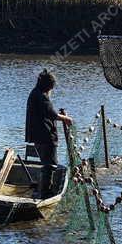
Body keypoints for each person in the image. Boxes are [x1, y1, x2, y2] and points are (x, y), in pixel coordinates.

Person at [25, 69, 73, 198]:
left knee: (46, 163)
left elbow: (47, 112)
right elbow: (51, 114)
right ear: (48, 86)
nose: (52, 89)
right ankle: (45, 193)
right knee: (50, 165)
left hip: (36, 135)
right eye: (52, 87)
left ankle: (42, 189)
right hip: (45, 136)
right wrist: (66, 119)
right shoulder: (41, 96)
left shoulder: (34, 93)